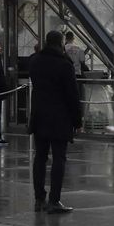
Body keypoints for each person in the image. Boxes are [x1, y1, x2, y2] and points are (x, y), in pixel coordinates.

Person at [27, 30, 81, 213]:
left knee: (40, 158)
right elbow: (72, 95)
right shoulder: (64, 65)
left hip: (39, 115)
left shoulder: (35, 61)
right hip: (60, 117)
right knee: (59, 158)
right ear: (60, 43)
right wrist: (77, 120)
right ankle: (54, 200)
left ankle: (38, 198)